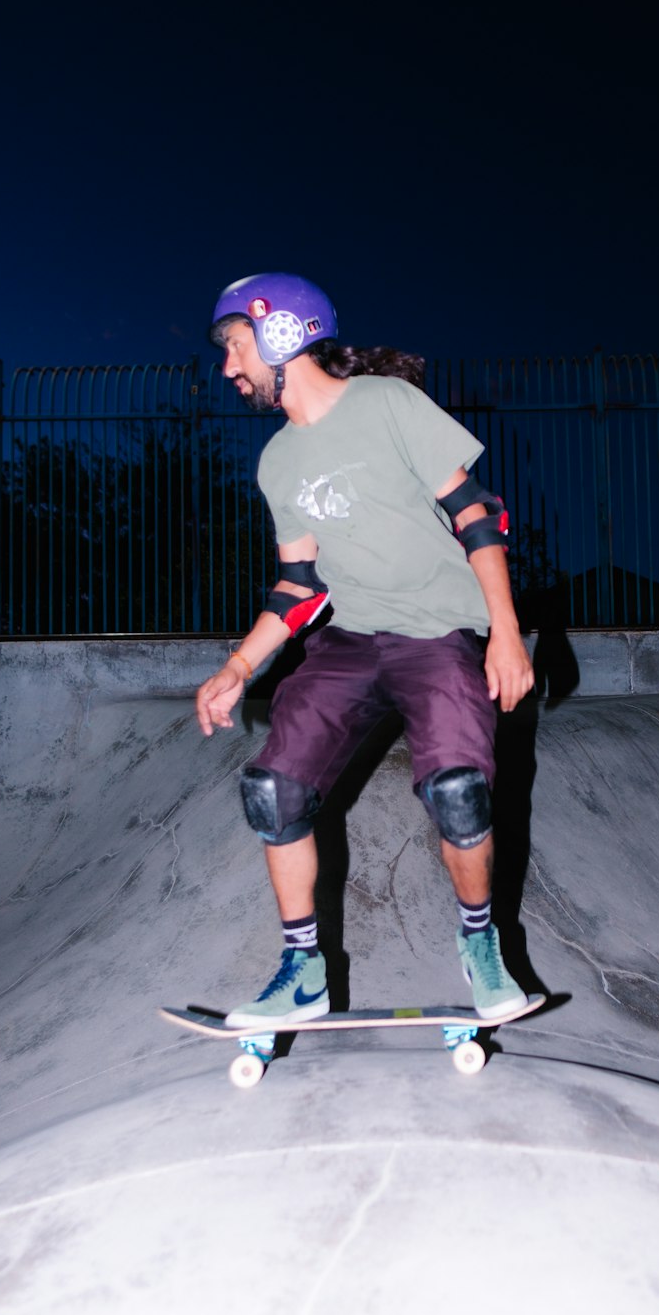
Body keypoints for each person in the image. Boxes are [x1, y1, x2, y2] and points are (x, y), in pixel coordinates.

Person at [195, 272, 535, 1028]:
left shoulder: (388, 405)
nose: (228, 369)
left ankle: (481, 944)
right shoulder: (277, 461)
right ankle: (301, 968)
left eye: (237, 348)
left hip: (437, 636)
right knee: (273, 790)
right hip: (347, 644)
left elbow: (475, 516)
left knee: (458, 794)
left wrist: (505, 632)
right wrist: (238, 667)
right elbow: (299, 587)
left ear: (282, 334)